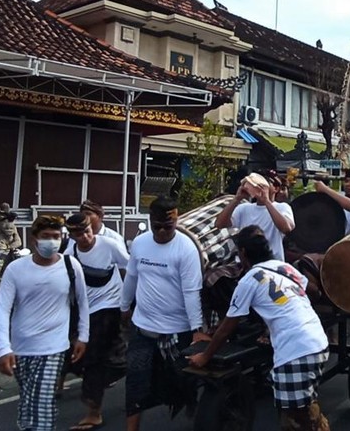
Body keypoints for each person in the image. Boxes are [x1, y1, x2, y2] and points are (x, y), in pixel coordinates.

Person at [189, 226, 330, 430]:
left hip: (295, 351)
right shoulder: (284, 267)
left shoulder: (249, 280)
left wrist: (204, 357)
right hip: (317, 340)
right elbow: (315, 293)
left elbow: (228, 327)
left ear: (243, 253)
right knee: (305, 411)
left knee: (296, 420)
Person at [0, 215, 90, 431]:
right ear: (34, 239)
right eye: (46, 236)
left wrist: (83, 336)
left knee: (43, 400)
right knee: (30, 399)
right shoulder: (15, 269)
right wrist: (3, 347)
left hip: (55, 347)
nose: (52, 241)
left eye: (56, 236)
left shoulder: (70, 265)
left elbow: (83, 302)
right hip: (22, 348)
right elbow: (1, 309)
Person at [120, 196, 206, 431]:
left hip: (176, 331)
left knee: (183, 381)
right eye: (156, 226)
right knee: (135, 382)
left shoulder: (186, 249)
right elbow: (132, 277)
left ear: (176, 221)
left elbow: (191, 292)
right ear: (150, 221)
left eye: (168, 227)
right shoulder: (140, 243)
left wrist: (197, 329)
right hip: (143, 327)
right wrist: (124, 306)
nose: (161, 232)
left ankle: (193, 408)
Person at [63, 213, 130, 430]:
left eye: (87, 231)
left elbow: (132, 268)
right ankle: (125, 367)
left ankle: (94, 412)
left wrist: (128, 301)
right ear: (72, 235)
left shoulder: (109, 245)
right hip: (84, 310)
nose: (84, 237)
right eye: (78, 233)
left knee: (93, 359)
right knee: (78, 354)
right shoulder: (70, 253)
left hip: (109, 308)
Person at [215, 172, 295, 261]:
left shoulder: (282, 207)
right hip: (245, 263)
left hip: (272, 262)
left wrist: (266, 202)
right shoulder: (244, 208)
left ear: (275, 188)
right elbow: (219, 224)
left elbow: (286, 228)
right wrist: (237, 199)